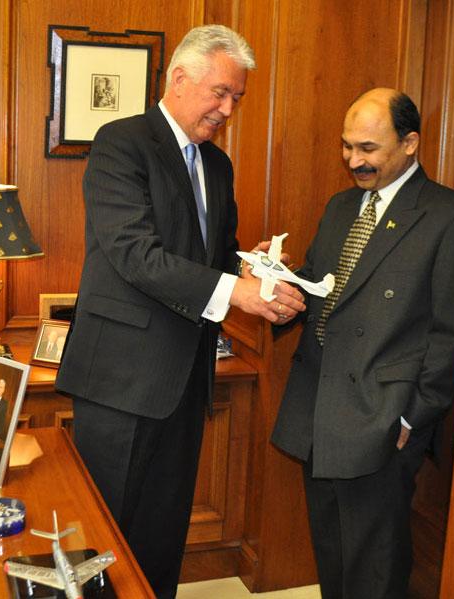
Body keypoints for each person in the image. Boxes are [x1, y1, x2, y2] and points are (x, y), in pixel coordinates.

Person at [55, 25, 304, 599]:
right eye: (220, 92)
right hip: (119, 380)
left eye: (237, 98)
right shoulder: (121, 143)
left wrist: (252, 269)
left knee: (162, 537)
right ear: (179, 78)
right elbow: (135, 255)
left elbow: (211, 259)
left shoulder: (217, 166)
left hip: (186, 381)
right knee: (102, 540)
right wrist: (233, 292)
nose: (227, 108)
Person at [271, 88, 454, 598]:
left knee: (375, 566)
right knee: (334, 555)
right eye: (347, 147)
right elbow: (323, 286)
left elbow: (450, 333)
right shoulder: (341, 206)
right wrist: (275, 281)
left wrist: (413, 417)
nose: (353, 161)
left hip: (383, 417)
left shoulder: (449, 215)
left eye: (368, 148)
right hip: (318, 407)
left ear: (410, 143)